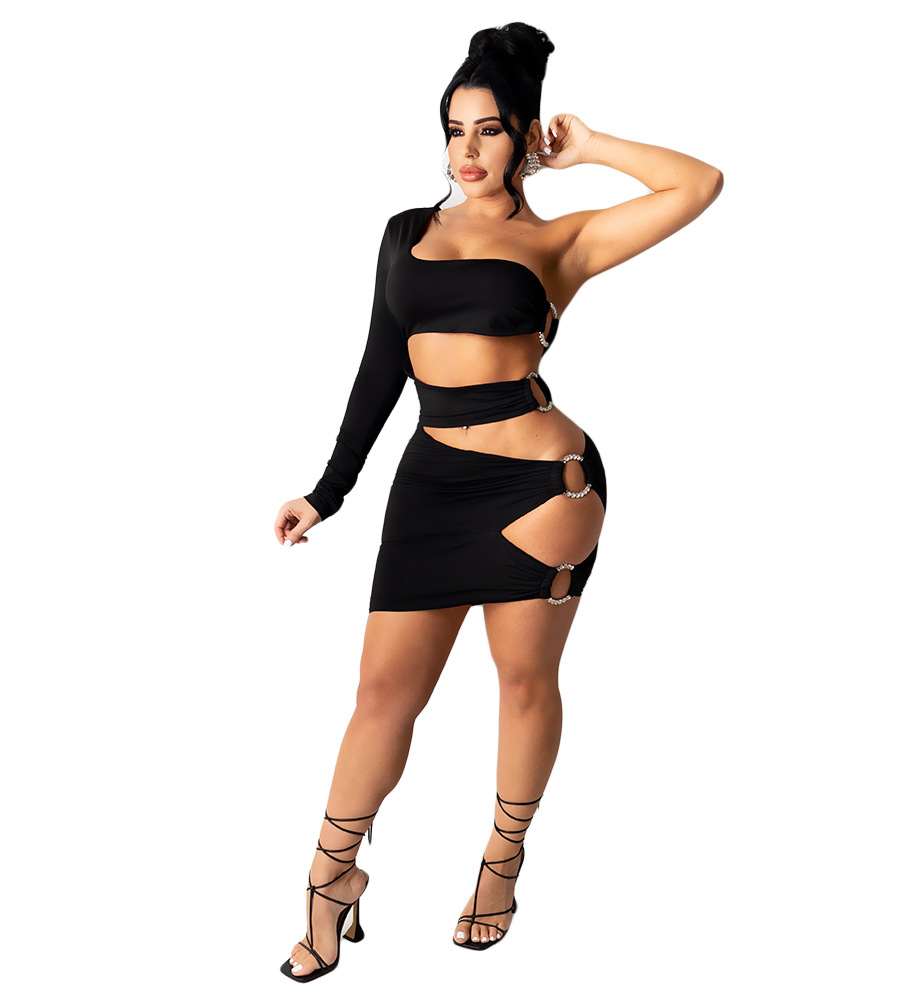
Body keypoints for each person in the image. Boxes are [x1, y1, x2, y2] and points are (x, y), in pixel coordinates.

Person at [272, 21, 723, 982]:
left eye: (488, 130)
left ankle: (501, 865)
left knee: (522, 685)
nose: (466, 151)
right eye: (453, 130)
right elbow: (380, 366)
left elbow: (699, 185)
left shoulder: (561, 243)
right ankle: (331, 876)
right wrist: (329, 490)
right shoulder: (406, 233)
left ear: (523, 135)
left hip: (539, 488)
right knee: (381, 696)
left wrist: (591, 147)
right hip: (430, 484)